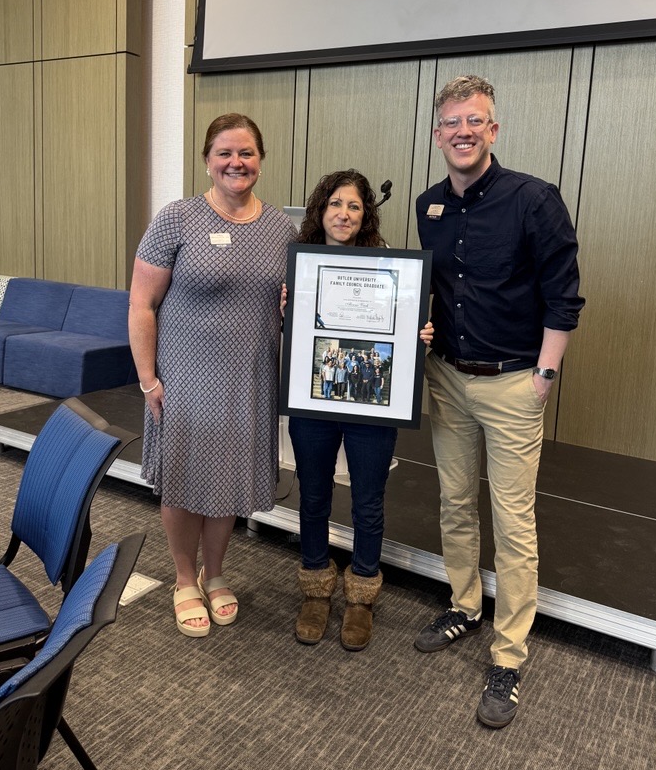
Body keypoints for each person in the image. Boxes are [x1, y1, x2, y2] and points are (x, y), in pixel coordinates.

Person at [415, 75, 584, 727]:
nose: (463, 131)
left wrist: (544, 376)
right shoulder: (430, 205)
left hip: (515, 384)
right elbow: (431, 292)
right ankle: (464, 606)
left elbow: (564, 296)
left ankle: (509, 656)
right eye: (452, 122)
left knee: (514, 525)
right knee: (454, 502)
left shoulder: (534, 200)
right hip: (448, 379)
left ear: (493, 130)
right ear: (439, 135)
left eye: (475, 121)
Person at [129, 112, 295, 638]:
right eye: (225, 153)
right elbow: (141, 303)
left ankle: (216, 572)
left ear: (260, 161)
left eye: (246, 153)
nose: (235, 163)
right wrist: (148, 379)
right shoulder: (177, 219)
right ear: (207, 160)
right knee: (182, 479)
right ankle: (183, 578)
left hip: (249, 380)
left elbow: (296, 304)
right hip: (185, 379)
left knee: (229, 479)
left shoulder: (281, 230)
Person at [284, 169, 433, 651]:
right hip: (315, 400)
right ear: (318, 211)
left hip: (372, 405)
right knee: (313, 495)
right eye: (334, 204)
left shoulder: (389, 267)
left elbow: (402, 334)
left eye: (353, 205)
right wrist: (287, 312)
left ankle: (362, 594)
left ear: (365, 213)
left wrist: (417, 338)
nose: (343, 213)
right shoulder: (299, 267)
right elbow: (295, 337)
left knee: (368, 501)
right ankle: (314, 588)